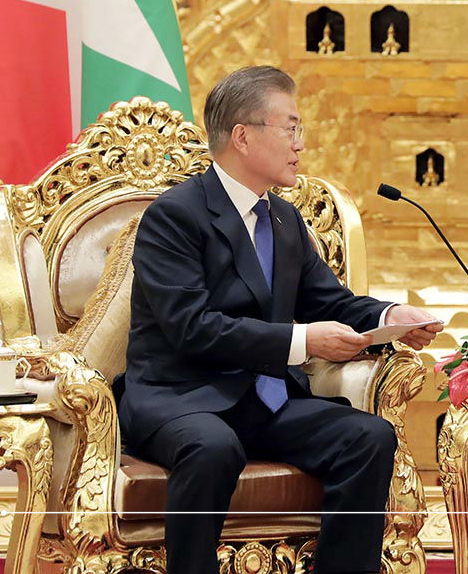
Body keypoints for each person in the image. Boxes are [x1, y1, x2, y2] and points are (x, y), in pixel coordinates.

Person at [117, 66, 444, 574]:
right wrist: (303, 341)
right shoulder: (175, 216)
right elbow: (192, 327)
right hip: (179, 397)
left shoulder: (283, 218)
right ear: (243, 137)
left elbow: (328, 300)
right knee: (213, 446)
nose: (300, 144)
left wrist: (390, 314)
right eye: (289, 128)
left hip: (261, 401)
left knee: (368, 438)